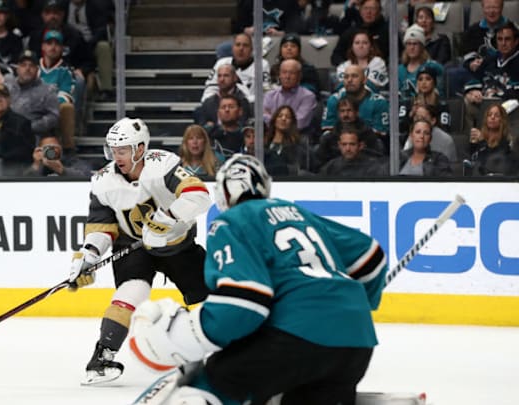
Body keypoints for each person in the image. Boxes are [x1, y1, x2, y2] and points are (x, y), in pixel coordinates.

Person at [129, 154, 387, 405]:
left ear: (224, 193)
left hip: (296, 337)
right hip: (356, 341)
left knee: (201, 390)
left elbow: (243, 304)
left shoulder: (231, 222)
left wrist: (186, 335)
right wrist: (357, 308)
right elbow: (371, 255)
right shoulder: (298, 214)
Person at [67, 117, 211, 385]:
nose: (115, 156)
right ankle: (102, 357)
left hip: (175, 243)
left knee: (202, 296)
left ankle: (215, 352)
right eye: (112, 150)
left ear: (140, 149)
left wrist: (168, 218)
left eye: (122, 150)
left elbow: (199, 195)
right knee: (131, 291)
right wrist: (89, 254)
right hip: (132, 246)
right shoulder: (103, 181)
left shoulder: (163, 166)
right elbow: (102, 226)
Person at [466, 103, 519, 176]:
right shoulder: (480, 137)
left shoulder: (505, 141)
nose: (492, 117)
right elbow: (471, 159)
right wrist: (473, 144)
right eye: (489, 115)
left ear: (502, 119)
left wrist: (482, 141)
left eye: (496, 115)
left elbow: (493, 161)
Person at [398, 24, 445, 101]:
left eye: (415, 44)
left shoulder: (432, 67)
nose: (412, 47)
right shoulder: (399, 70)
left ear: (422, 46)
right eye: (409, 44)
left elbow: (440, 95)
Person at [23, 135, 92, 177]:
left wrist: (63, 170)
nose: (50, 151)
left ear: (61, 149)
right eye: (46, 148)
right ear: (39, 150)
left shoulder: (73, 162)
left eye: (54, 147)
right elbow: (22, 184)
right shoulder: (36, 165)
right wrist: (36, 166)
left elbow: (86, 177)